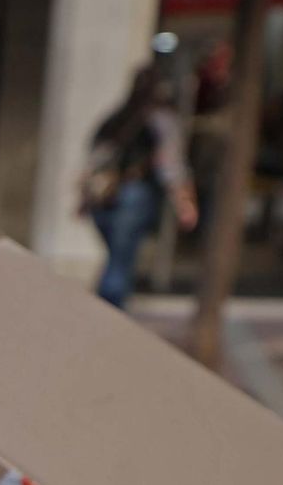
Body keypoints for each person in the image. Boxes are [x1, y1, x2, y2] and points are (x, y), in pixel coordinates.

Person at [83, 66, 198, 309]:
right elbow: (171, 165)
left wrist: (84, 197)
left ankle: (103, 310)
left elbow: (95, 160)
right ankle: (107, 313)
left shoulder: (117, 117)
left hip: (104, 197)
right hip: (134, 194)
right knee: (120, 261)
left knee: (116, 257)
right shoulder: (160, 120)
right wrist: (184, 202)